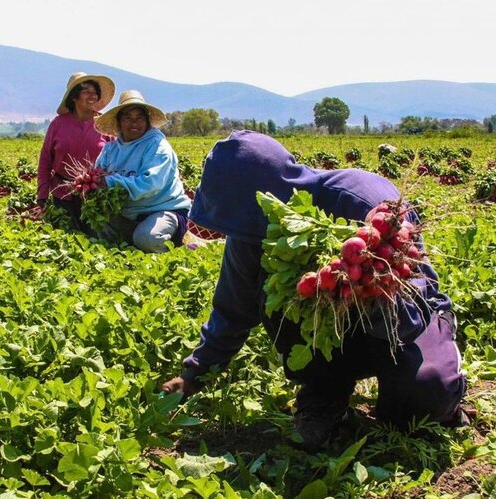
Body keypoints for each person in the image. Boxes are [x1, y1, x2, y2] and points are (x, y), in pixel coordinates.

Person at [162, 130, 466, 451]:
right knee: (278, 295)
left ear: (266, 192)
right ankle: (324, 388)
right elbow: (233, 308)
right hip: (332, 337)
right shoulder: (253, 230)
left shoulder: (363, 200)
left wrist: (370, 288)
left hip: (406, 318)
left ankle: (438, 381)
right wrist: (196, 372)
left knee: (424, 397)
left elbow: (413, 306)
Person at [93, 90, 191, 253]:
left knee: (147, 239)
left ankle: (176, 248)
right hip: (127, 213)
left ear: (147, 121)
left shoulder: (157, 147)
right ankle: (129, 247)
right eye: (127, 118)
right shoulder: (110, 150)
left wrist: (109, 182)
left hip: (162, 209)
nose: (134, 123)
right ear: (119, 122)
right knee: (95, 222)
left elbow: (151, 183)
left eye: (139, 117)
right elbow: (98, 174)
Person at [37, 72, 115, 233]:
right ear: (74, 97)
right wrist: (42, 194)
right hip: (62, 194)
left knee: (95, 240)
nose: (92, 95)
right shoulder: (58, 124)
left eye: (95, 92)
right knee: (63, 238)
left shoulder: (104, 125)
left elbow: (116, 161)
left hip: (96, 196)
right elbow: (45, 161)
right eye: (86, 91)